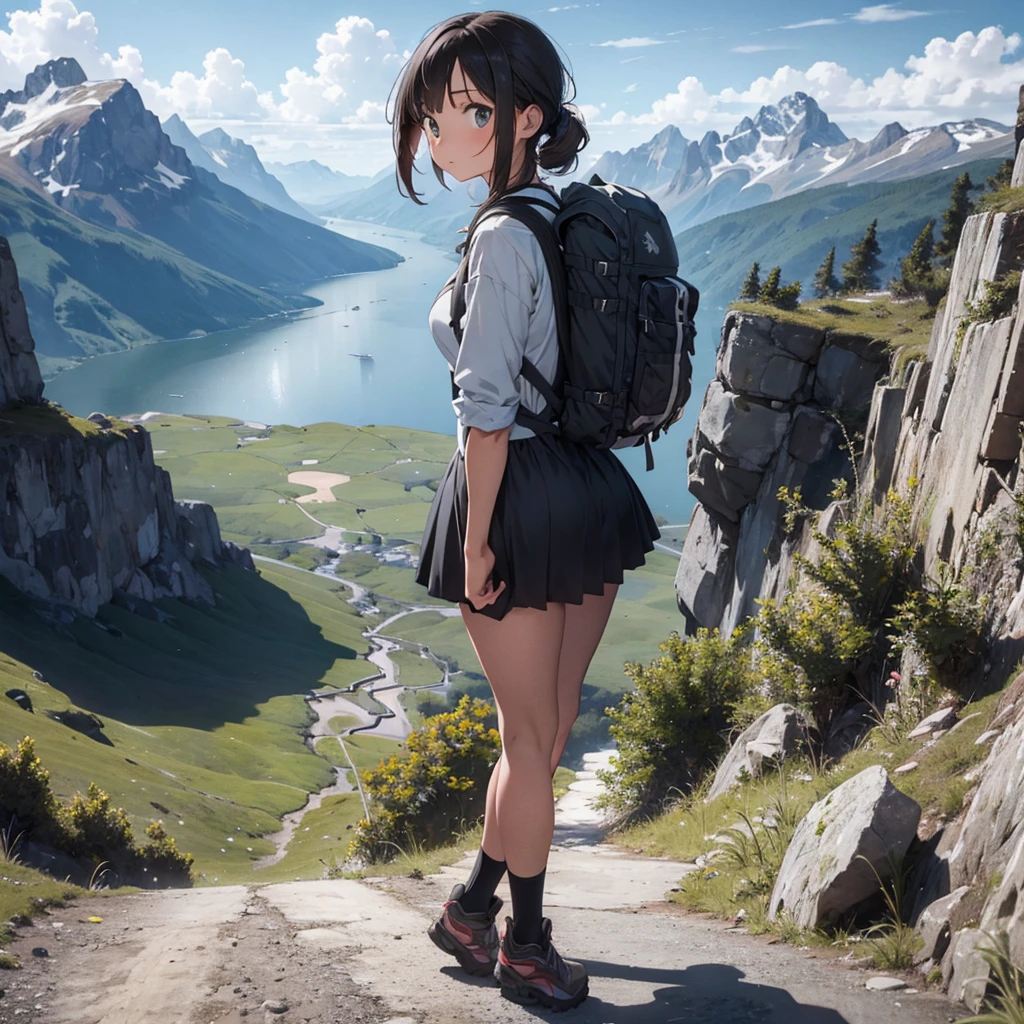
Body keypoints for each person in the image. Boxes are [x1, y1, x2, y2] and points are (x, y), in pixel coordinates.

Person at [388, 11, 660, 1012]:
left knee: (525, 739)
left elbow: (486, 417)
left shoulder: (501, 236)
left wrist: (474, 547)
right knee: (538, 741)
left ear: (525, 116)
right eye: (431, 112)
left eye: (463, 109)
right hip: (588, 493)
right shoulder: (556, 213)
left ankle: (525, 943)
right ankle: (470, 907)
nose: (438, 132)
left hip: (519, 502)